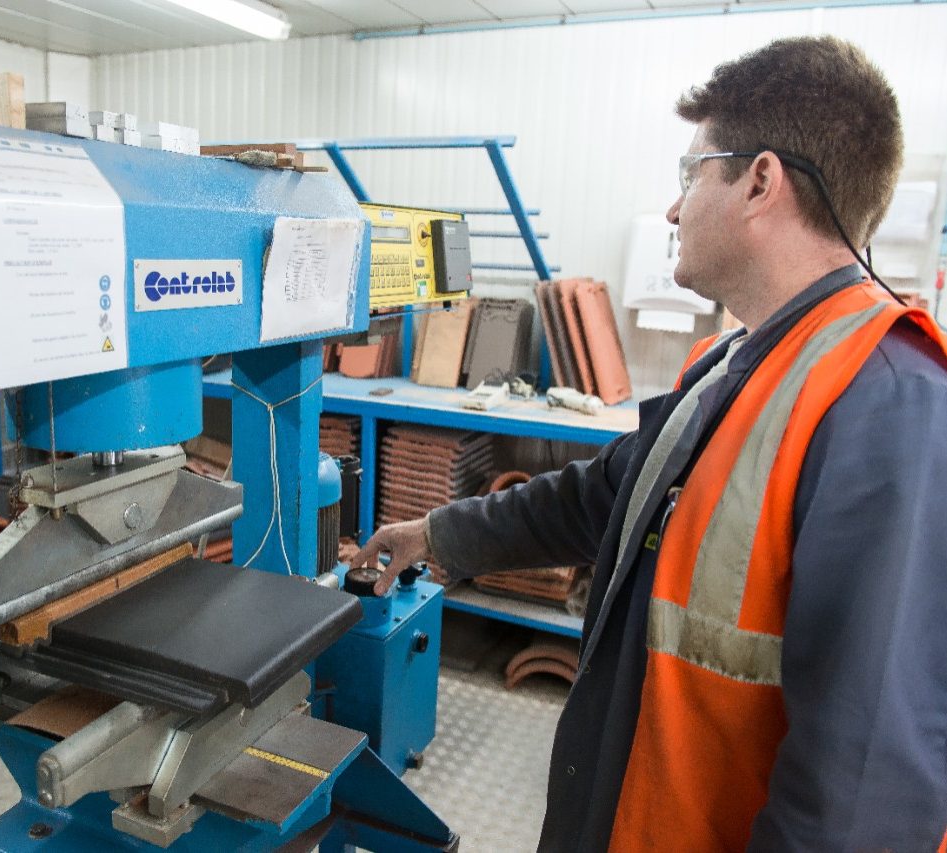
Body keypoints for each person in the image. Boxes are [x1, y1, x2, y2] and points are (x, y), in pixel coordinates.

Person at [352, 35, 947, 852]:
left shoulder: (888, 401)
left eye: (690, 173)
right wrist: (438, 534)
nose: (672, 209)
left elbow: (863, 788)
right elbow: (604, 498)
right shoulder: (734, 362)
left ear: (759, 182)